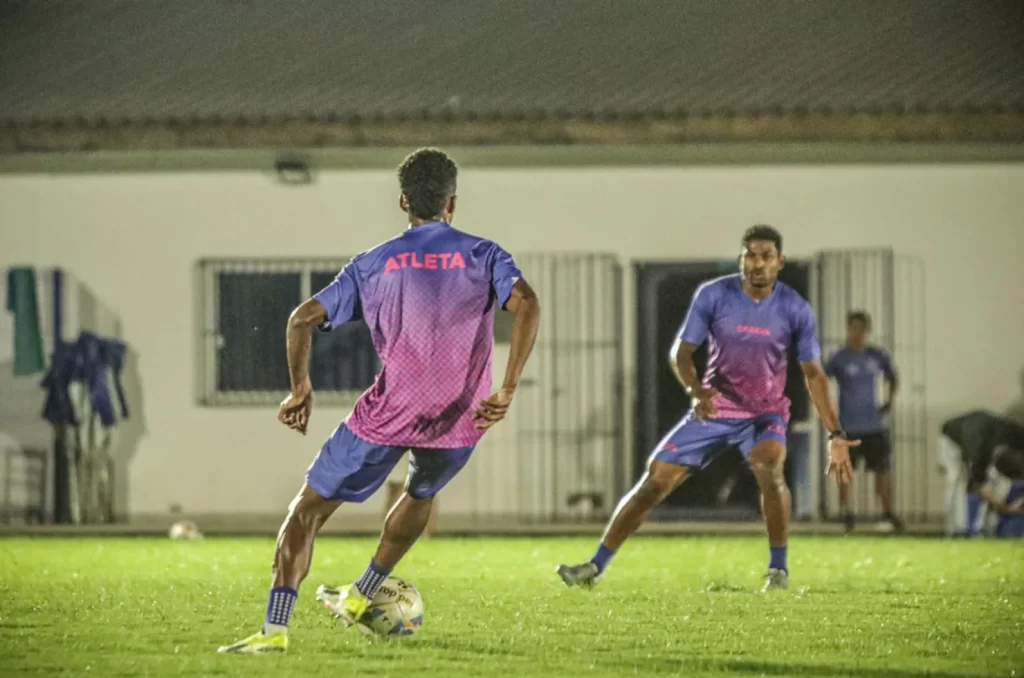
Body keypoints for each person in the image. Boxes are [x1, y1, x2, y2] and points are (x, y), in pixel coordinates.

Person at [219, 148, 541, 653]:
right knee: (419, 494)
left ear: (403, 202)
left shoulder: (374, 262)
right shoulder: (485, 255)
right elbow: (528, 305)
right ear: (451, 203)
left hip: (390, 412)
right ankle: (360, 594)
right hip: (460, 417)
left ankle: (275, 630)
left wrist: (300, 388)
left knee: (306, 512)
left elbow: (302, 318)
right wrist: (508, 387)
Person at [556, 224, 857, 593]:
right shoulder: (714, 295)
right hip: (715, 408)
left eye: (765, 256)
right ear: (741, 259)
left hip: (765, 413)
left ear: (779, 262)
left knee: (768, 465)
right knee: (653, 483)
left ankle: (777, 570)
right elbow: (680, 353)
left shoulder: (795, 308)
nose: (757, 263)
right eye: (750, 254)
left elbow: (814, 374)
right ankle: (593, 567)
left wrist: (836, 433)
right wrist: (695, 391)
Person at [824, 311, 903, 533]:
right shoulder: (839, 357)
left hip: (873, 425)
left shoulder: (876, 355)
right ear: (848, 329)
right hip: (848, 426)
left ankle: (886, 512)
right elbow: (820, 380)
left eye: (861, 329)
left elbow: (893, 377)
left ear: (866, 330)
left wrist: (888, 402)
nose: (857, 333)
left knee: (882, 469)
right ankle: (847, 514)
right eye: (853, 328)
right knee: (845, 470)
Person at [937, 410, 1024, 537]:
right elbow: (978, 485)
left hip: (979, 432)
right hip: (951, 439)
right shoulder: (980, 451)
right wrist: (1005, 508)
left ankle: (986, 528)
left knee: (995, 480)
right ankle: (956, 530)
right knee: (957, 479)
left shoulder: (1014, 434)